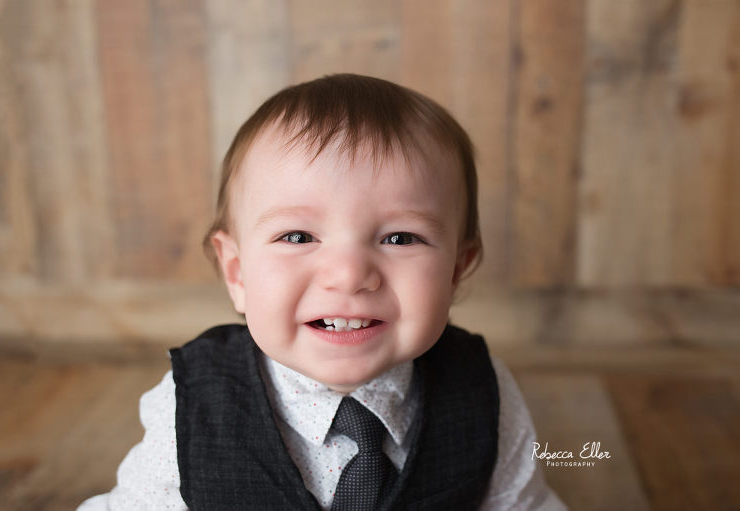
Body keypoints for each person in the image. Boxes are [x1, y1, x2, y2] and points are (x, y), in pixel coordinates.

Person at [78, 74, 566, 510]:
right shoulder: (192, 407)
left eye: (400, 238)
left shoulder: (483, 392)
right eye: (298, 236)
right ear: (238, 273)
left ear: (456, 269)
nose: (349, 275)